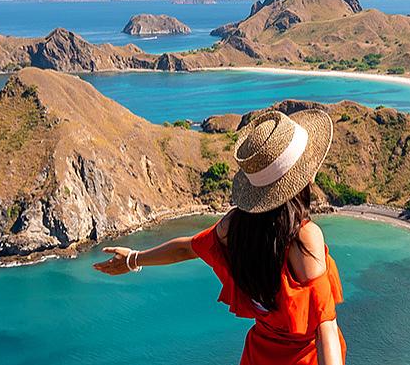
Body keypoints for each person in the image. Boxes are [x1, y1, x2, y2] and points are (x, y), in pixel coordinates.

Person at [93, 109, 347, 365]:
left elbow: (186, 249)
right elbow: (325, 326)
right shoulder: (304, 238)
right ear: (302, 178)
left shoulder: (233, 227)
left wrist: (133, 260)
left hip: (258, 356)